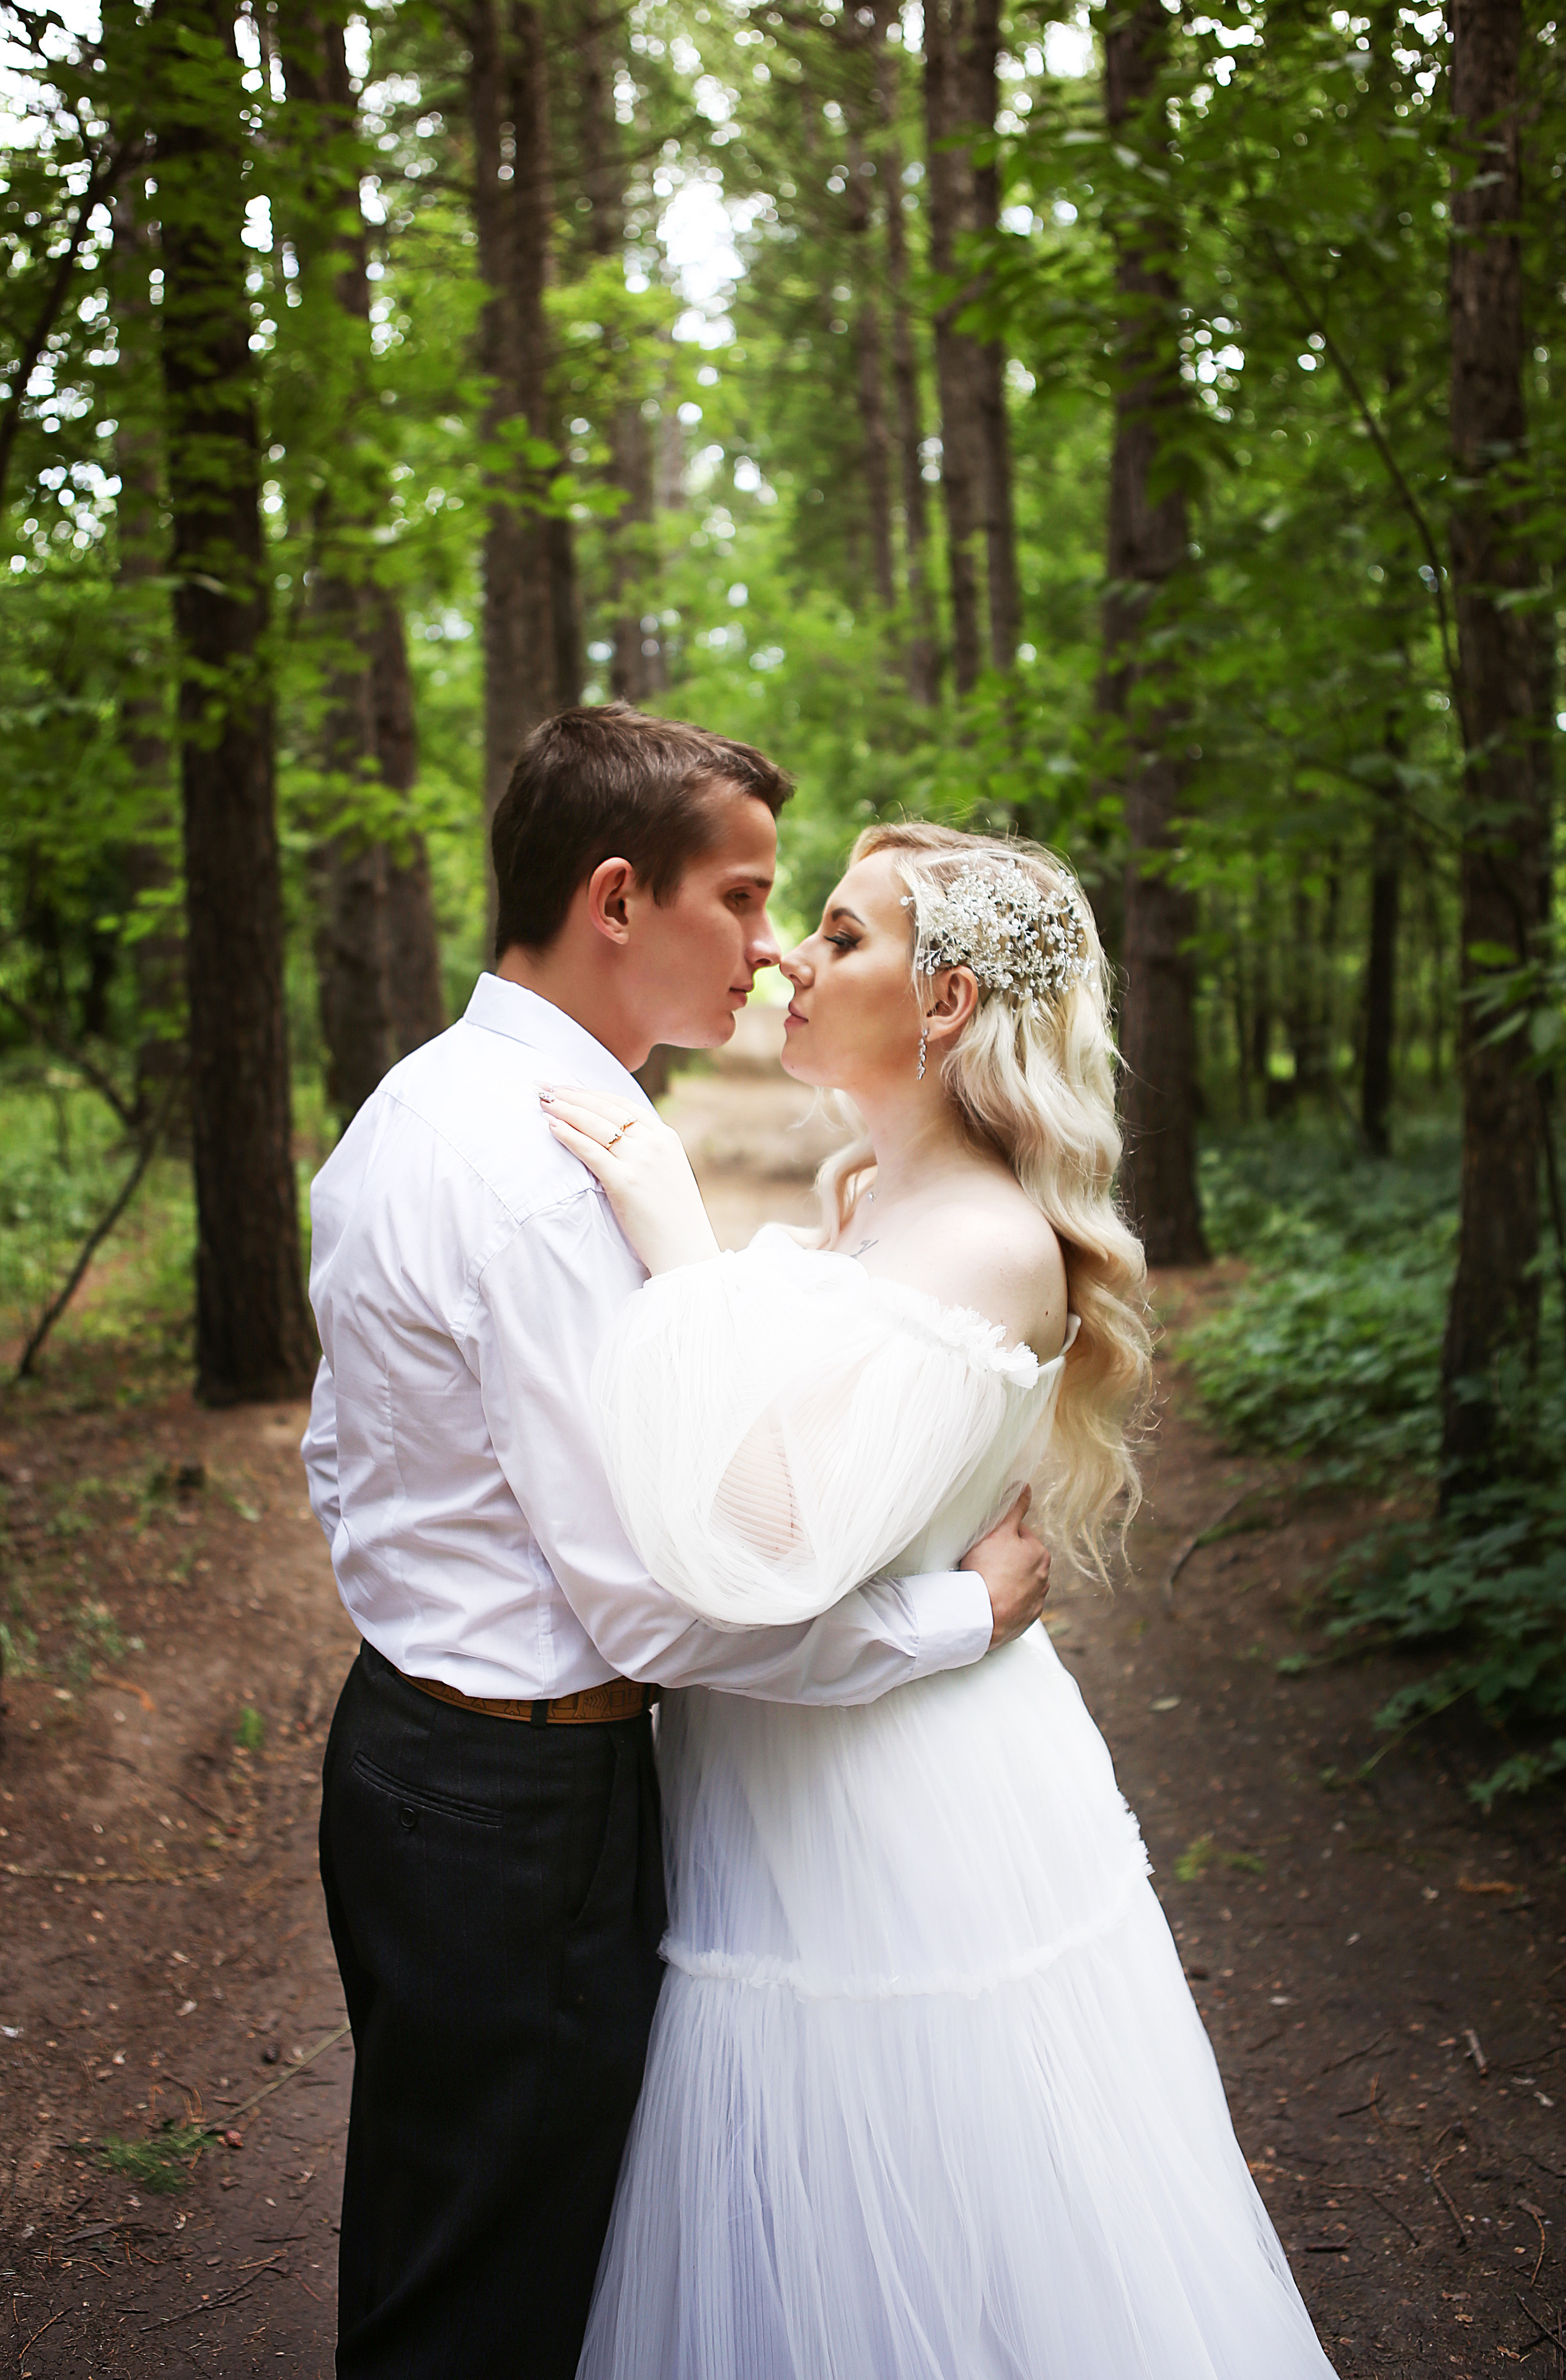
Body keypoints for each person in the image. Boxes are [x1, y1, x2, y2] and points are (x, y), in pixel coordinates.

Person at [299, 712, 1054, 2379]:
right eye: (748, 897)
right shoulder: (546, 1181)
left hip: (411, 1752)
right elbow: (661, 1599)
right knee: (493, 2300)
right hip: (516, 1807)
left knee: (439, 2238)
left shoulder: (413, 1107)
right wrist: (952, 1619)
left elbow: (344, 1460)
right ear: (620, 899)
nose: (773, 947)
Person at [541, 822, 1340, 2380]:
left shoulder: (979, 1244)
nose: (785, 955)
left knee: (923, 2224)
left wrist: (677, 1249)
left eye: (838, 936)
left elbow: (768, 1547)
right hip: (797, 1780)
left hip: (893, 1821)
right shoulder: (865, 1201)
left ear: (948, 1001)